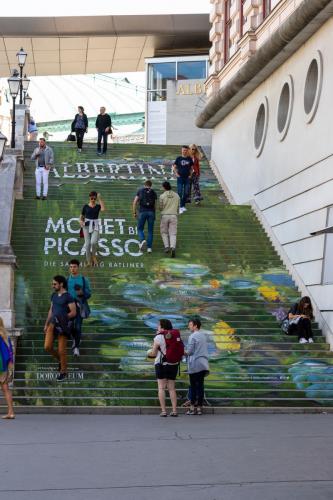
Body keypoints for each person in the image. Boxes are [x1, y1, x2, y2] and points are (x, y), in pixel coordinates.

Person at [44, 276, 76, 382]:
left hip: (63, 326)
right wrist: (46, 324)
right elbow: (51, 310)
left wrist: (62, 318)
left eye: (54, 284)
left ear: (61, 284)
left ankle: (63, 372)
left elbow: (73, 312)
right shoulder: (53, 295)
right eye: (52, 284)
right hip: (52, 325)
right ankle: (61, 361)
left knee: (62, 350)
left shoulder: (68, 297)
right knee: (47, 347)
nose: (52, 286)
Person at [147, 319, 181, 417]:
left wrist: (149, 353)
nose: (157, 326)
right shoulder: (174, 335)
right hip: (173, 364)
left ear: (162, 327)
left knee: (161, 387)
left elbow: (153, 353)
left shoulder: (158, 337)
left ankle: (164, 411)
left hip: (161, 364)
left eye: (158, 325)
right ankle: (174, 411)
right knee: (172, 388)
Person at [67, 259, 91, 357]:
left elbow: (89, 294)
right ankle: (76, 339)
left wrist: (82, 293)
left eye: (74, 267)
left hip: (79, 306)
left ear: (78, 267)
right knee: (69, 327)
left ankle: (76, 347)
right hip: (68, 307)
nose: (73, 269)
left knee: (78, 326)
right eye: (71, 267)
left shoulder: (84, 280)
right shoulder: (66, 280)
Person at [185, 318, 209, 415]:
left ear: (195, 326)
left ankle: (192, 408)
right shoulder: (203, 336)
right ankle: (199, 408)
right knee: (200, 386)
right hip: (203, 364)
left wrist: (181, 351)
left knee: (193, 386)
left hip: (195, 364)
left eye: (190, 325)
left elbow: (189, 352)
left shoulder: (193, 336)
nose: (188, 326)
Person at [80, 191, 105, 266]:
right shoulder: (85, 206)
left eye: (94, 198)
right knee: (87, 244)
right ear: (89, 198)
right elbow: (82, 216)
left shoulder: (97, 206)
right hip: (86, 225)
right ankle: (88, 261)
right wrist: (80, 221)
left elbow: (103, 209)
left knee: (93, 242)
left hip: (95, 225)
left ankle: (94, 256)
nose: (93, 200)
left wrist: (100, 198)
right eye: (92, 198)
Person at [132, 180, 157, 254]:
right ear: (151, 185)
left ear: (144, 185)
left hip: (142, 212)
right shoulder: (153, 192)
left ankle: (142, 240)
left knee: (140, 228)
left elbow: (135, 202)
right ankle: (149, 248)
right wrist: (154, 214)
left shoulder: (140, 191)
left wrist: (134, 212)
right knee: (150, 231)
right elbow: (155, 205)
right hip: (151, 212)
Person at [159, 181, 180, 258]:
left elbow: (160, 207)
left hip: (165, 215)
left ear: (164, 187)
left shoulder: (162, 196)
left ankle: (167, 246)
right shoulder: (177, 195)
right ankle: (173, 247)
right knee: (173, 233)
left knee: (164, 232)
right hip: (174, 215)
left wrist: (161, 209)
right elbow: (178, 206)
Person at [0, 317, 15, 419]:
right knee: (6, 389)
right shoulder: (5, 336)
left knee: (5, 389)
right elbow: (10, 352)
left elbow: (4, 353)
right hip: (4, 366)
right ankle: (11, 412)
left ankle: (11, 412)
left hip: (1, 365)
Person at [172, 145, 193, 214]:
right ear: (181, 150)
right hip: (180, 178)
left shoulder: (189, 159)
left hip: (187, 178)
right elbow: (174, 167)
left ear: (187, 151)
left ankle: (182, 206)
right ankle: (180, 206)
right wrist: (176, 174)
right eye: (183, 150)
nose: (185, 151)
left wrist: (190, 175)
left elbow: (191, 168)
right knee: (180, 192)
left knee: (186, 192)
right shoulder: (178, 158)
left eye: (186, 150)